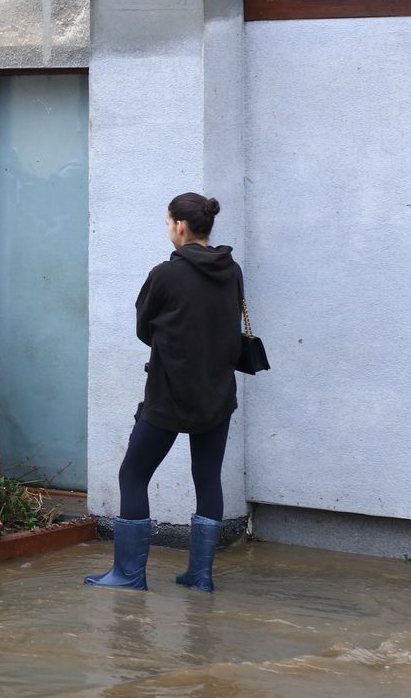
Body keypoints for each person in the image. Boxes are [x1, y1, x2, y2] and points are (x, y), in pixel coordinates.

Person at [87, 192, 242, 594]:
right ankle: (200, 575)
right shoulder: (232, 269)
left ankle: (128, 575)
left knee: (133, 474)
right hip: (217, 391)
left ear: (180, 226)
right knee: (208, 478)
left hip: (169, 391)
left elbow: (144, 328)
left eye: (168, 223)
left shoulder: (165, 274)